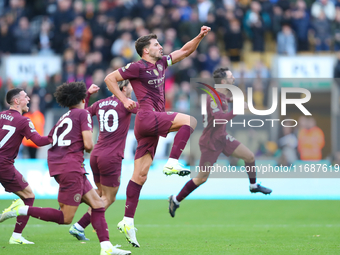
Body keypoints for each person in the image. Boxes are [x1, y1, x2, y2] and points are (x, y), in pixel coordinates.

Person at [104, 26, 211, 247]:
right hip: (146, 117)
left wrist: (200, 36)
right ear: (145, 50)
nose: (160, 47)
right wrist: (124, 101)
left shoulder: (162, 63)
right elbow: (109, 79)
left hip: (149, 124)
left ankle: (127, 220)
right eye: (156, 44)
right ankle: (172, 162)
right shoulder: (136, 67)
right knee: (190, 121)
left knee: (140, 176)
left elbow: (185, 51)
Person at [0, 82, 131, 255]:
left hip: (66, 166)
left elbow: (54, 135)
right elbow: (88, 145)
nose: (29, 98)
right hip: (71, 168)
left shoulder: (65, 116)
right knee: (65, 218)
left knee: (98, 204)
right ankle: (21, 209)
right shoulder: (79, 115)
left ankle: (107, 248)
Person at [168, 67, 273, 218]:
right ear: (224, 82)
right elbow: (219, 119)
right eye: (231, 77)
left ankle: (253, 186)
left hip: (222, 137)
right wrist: (237, 109)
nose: (234, 79)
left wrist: (234, 100)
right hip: (210, 142)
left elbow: (225, 101)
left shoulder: (221, 96)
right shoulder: (212, 98)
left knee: (249, 157)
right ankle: (175, 200)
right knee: (201, 178)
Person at [69, 80, 138, 241]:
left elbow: (82, 113)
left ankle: (74, 199)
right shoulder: (127, 104)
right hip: (111, 157)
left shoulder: (100, 103)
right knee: (109, 198)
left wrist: (87, 95)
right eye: (130, 86)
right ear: (122, 88)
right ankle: (79, 226)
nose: (132, 89)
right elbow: (148, 113)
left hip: (96, 154)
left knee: (100, 193)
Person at [0, 88, 51, 244]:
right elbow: (39, 141)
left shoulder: (1, 115)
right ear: (16, 101)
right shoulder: (23, 120)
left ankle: (13, 214)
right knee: (29, 196)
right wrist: (58, 134)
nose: (28, 99)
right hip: (3, 165)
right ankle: (16, 236)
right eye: (25, 97)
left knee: (26, 195)